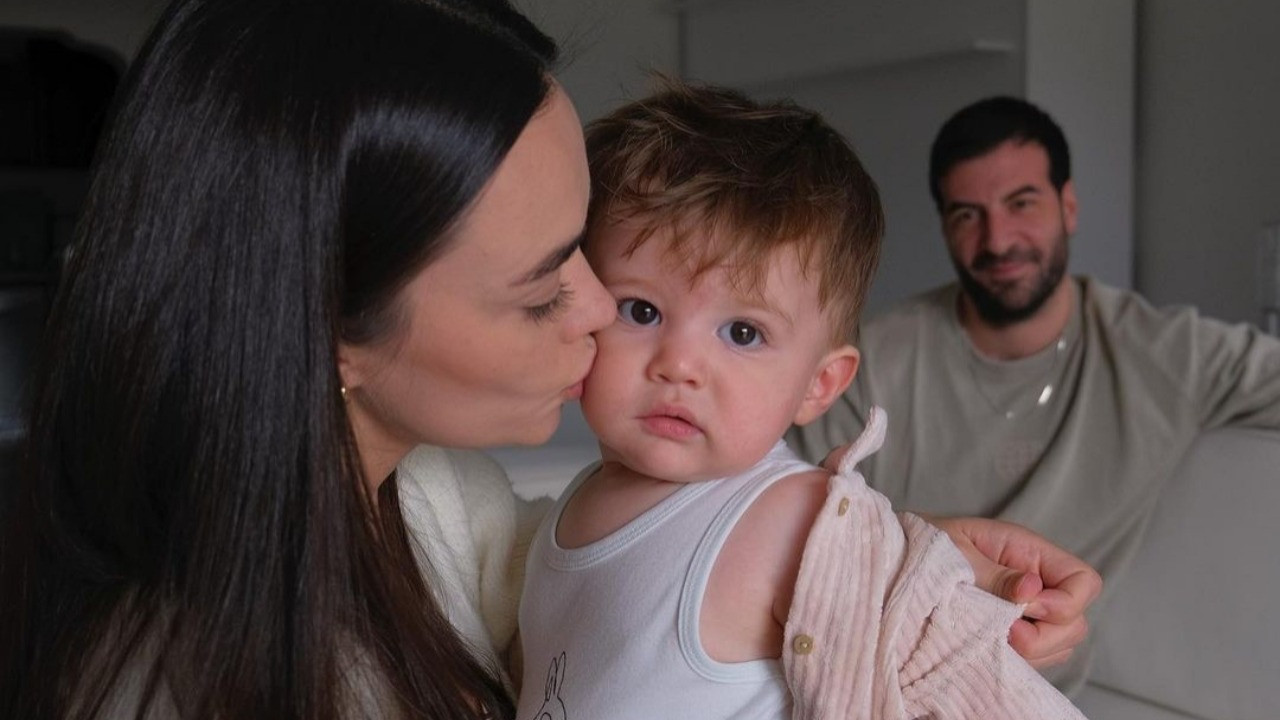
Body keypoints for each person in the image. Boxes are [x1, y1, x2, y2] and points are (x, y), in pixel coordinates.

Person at [0, 1, 1092, 715]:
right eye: (546, 287)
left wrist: (880, 572)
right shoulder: (189, 678)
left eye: (582, 250)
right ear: (325, 327)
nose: (599, 315)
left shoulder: (447, 508)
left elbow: (634, 569)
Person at [515, 82, 1087, 719]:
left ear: (820, 384)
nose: (679, 365)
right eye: (641, 311)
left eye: (742, 333)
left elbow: (978, 686)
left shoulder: (797, 522)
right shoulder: (574, 506)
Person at [788, 95, 1280, 693]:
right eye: (967, 214)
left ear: (1068, 207)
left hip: (1037, 694)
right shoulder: (871, 359)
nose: (998, 240)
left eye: (1022, 203)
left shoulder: (1165, 354)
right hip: (874, 677)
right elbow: (782, 499)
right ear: (945, 227)